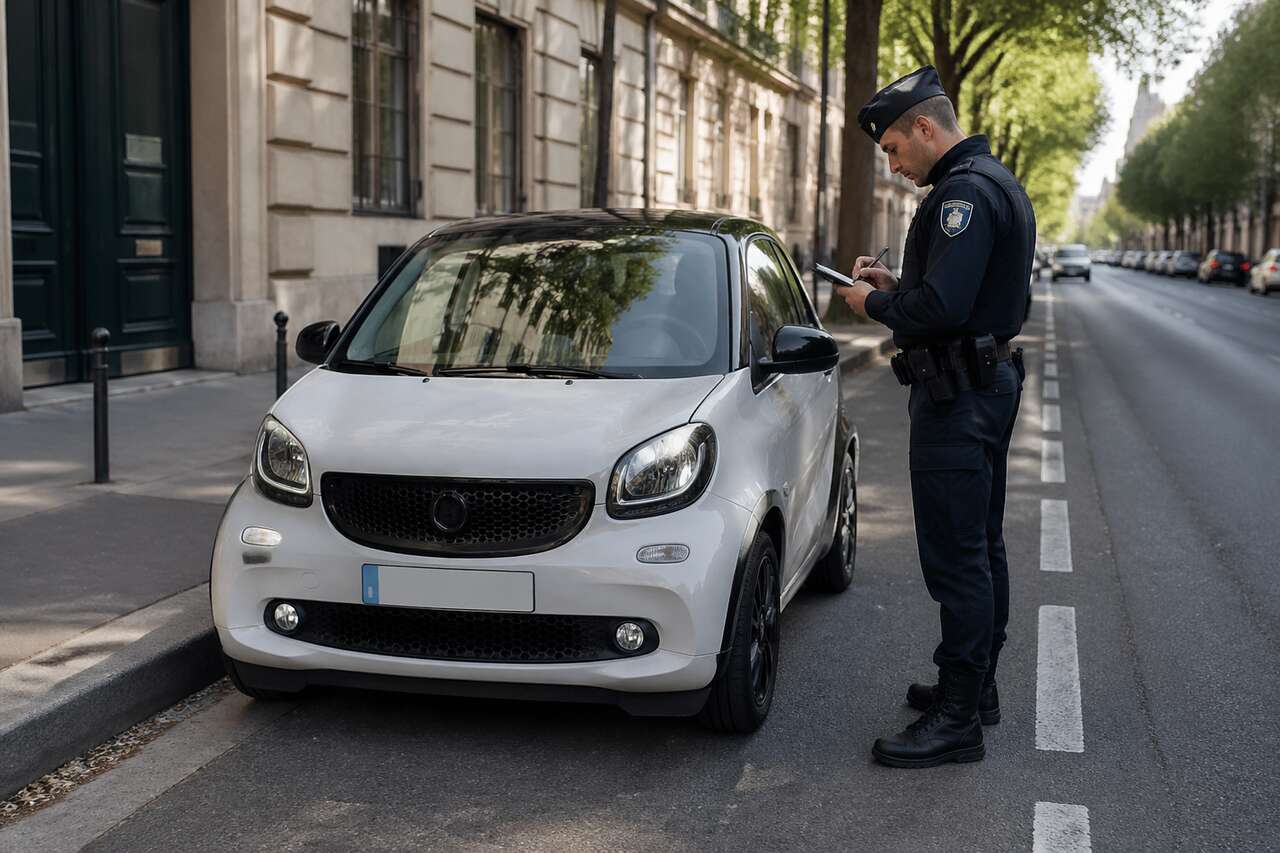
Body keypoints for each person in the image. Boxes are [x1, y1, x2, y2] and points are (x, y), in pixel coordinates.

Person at [836, 66, 1036, 768]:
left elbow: (942, 311)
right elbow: (961, 290)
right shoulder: (988, 180)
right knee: (981, 545)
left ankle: (957, 720)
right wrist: (901, 284)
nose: (892, 165)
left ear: (926, 127)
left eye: (893, 147)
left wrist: (874, 305)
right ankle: (973, 689)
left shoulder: (964, 195)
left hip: (960, 396)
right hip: (982, 383)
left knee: (957, 559)